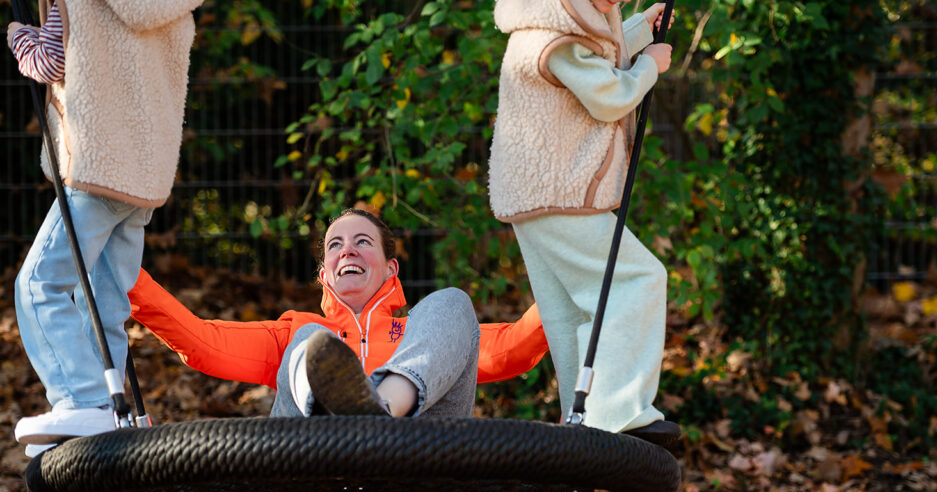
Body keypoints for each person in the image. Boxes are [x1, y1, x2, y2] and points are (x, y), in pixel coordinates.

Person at [126, 209, 550, 421]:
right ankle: (337, 411)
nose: (347, 249)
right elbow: (204, 344)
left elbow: (512, 348)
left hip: (418, 455)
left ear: (390, 268)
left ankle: (380, 406)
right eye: (335, 245)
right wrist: (125, 278)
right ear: (324, 271)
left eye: (363, 241)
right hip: (313, 457)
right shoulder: (295, 329)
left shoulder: (422, 332)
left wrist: (577, 283)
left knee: (453, 302)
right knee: (310, 338)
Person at [9, 0, 204, 445]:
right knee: (107, 304)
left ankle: (83, 401)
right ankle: (110, 419)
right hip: (143, 179)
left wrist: (17, 35)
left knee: (39, 284)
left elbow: (48, 61)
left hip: (99, 170)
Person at [488, 0, 679, 446]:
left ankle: (584, 426)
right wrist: (649, 66)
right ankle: (617, 414)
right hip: (557, 191)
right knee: (637, 279)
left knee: (571, 311)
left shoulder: (549, 27)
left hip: (536, 196)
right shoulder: (552, 39)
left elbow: (594, 57)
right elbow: (608, 96)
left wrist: (638, 30)